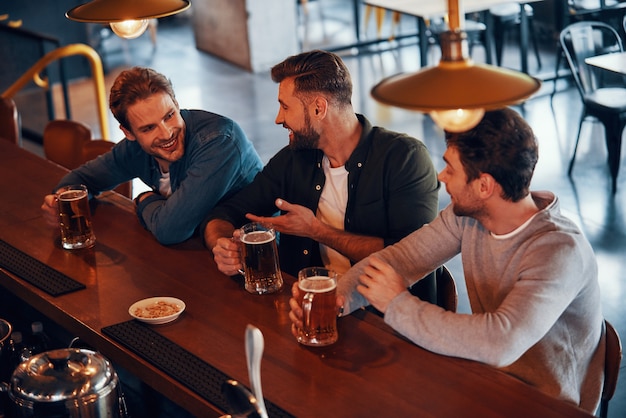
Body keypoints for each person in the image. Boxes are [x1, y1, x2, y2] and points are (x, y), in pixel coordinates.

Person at [289, 107, 604, 412]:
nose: (441, 176)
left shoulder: (558, 252)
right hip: (487, 381)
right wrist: (338, 298)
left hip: (546, 404)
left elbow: (499, 342)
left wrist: (397, 303)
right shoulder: (467, 216)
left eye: (451, 168)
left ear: (484, 185)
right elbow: (400, 259)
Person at [204, 50, 440, 288]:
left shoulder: (405, 158)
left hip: (383, 316)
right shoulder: (293, 160)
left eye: (285, 107)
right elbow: (225, 213)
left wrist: (317, 231)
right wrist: (222, 246)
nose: (278, 118)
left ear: (319, 108)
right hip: (306, 305)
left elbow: (412, 258)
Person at [41, 66, 263, 245]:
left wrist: (146, 201)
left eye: (169, 116)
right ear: (128, 133)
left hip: (256, 257)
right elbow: (81, 181)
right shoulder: (134, 149)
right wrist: (58, 202)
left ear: (176, 104)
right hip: (196, 254)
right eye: (148, 128)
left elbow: (171, 229)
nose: (166, 133)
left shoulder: (218, 140)